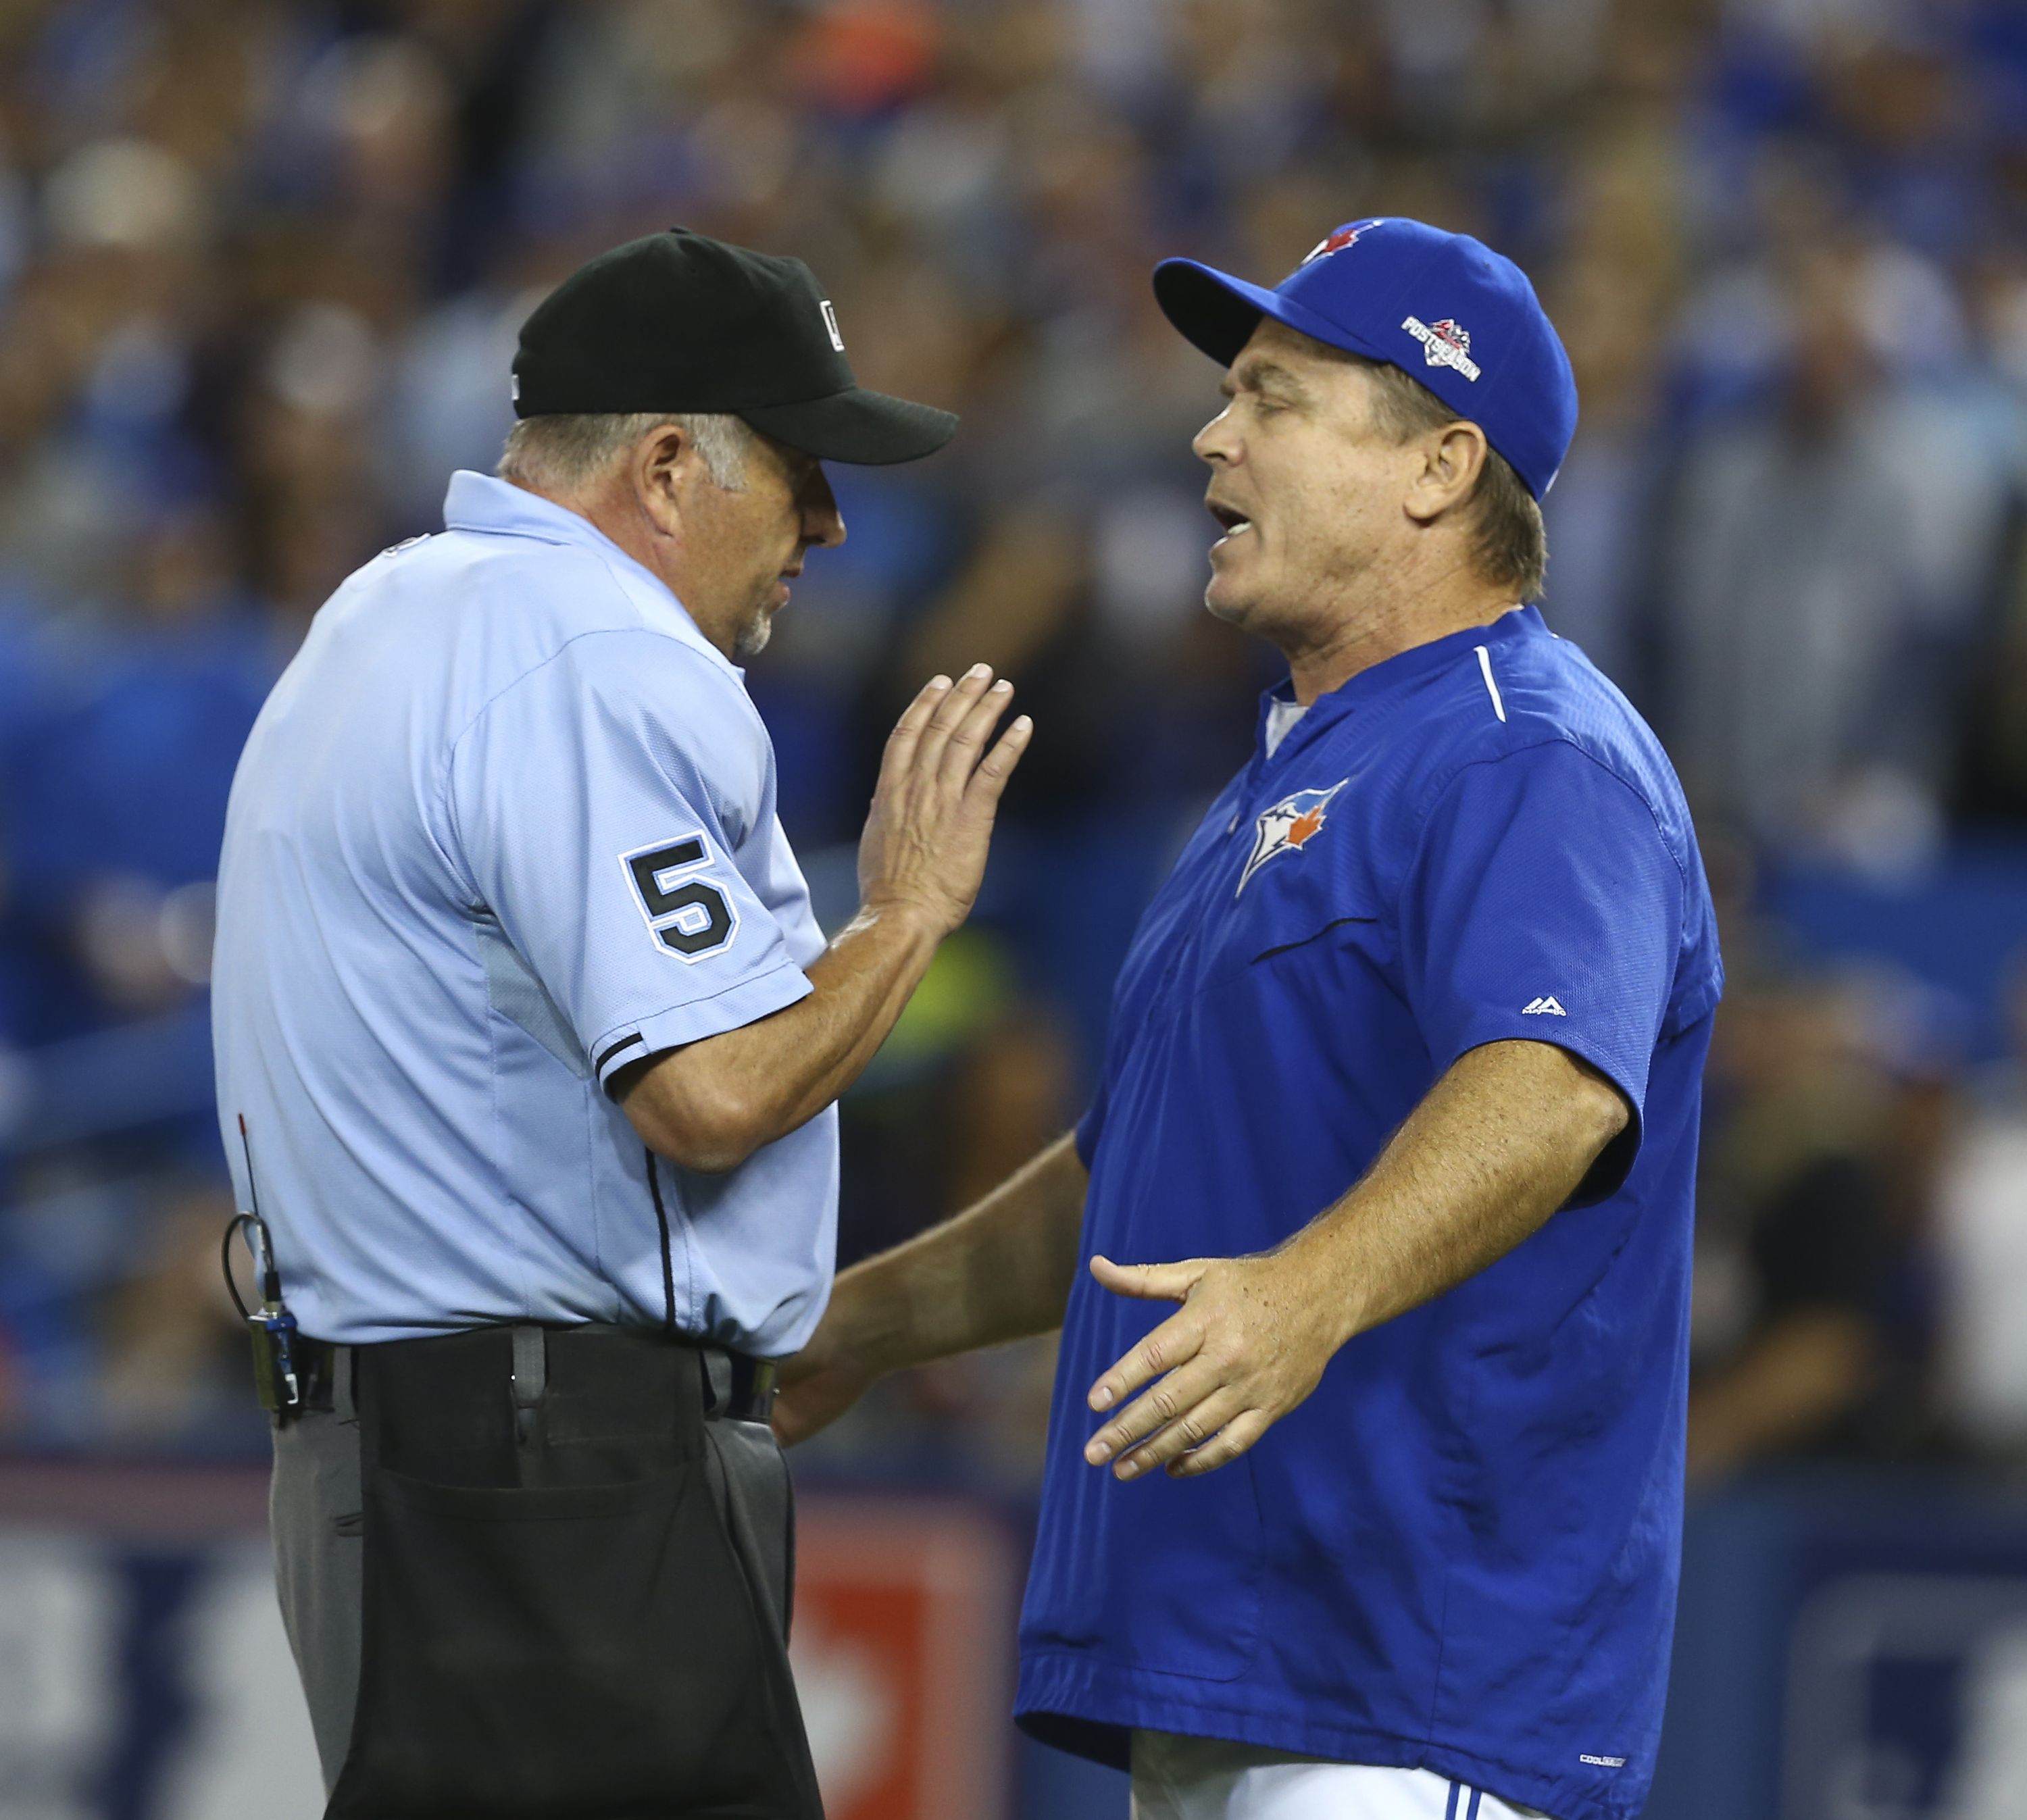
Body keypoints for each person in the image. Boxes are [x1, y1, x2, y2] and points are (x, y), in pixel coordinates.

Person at [780, 217, 1724, 1820]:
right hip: (1243, 1678)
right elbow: (1128, 1181)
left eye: (1276, 399)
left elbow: (1557, 1088)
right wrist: (860, 1327)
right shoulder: (1278, 785)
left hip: (1412, 1687)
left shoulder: (1529, 750)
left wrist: (1307, 1291)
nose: (1213, 436)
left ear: (1439, 468)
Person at [210, 228, 1030, 1818]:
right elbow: (712, 1093)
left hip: (403, 1458)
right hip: (552, 1478)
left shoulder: (390, 612)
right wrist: (909, 915)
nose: (830, 524)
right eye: (798, 469)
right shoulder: (584, 649)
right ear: (666, 467)